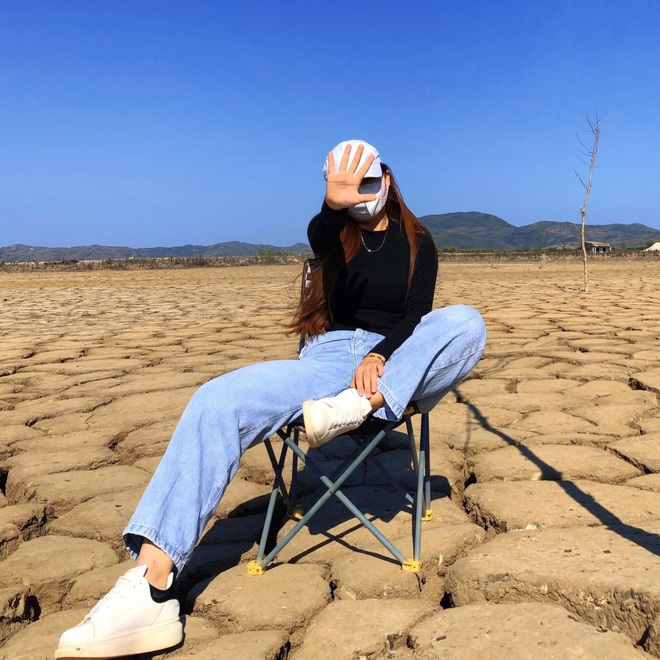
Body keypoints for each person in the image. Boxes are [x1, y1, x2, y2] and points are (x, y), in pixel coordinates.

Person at [55, 140, 487, 658]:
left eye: (370, 185)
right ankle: (152, 585)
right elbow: (317, 234)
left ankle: (365, 406)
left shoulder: (419, 242)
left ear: (389, 182)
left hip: (395, 362)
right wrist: (334, 204)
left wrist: (380, 359)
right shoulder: (337, 233)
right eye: (352, 188)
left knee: (466, 322)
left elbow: (418, 319)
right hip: (325, 363)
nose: (363, 196)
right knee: (215, 400)